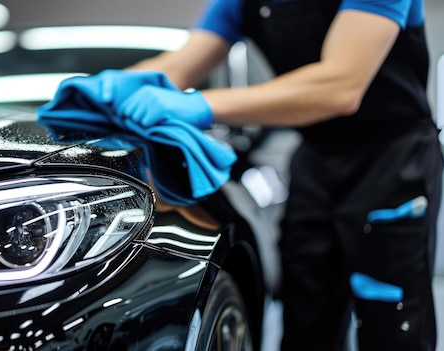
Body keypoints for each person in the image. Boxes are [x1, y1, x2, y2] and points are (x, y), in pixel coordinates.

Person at [75, 0, 442, 350]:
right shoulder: (240, 2)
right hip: (316, 158)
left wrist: (201, 105)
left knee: (392, 322)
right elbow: (179, 66)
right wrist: (109, 90)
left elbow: (341, 86)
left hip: (392, 158)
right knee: (306, 317)